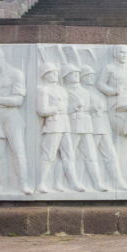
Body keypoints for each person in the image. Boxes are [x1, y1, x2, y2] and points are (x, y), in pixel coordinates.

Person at [0, 49, 31, 195]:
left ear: (0, 58)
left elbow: (18, 101)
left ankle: (23, 185)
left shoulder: (16, 74)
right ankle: (2, 186)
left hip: (12, 116)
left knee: (18, 151)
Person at [36, 64, 83, 194]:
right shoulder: (44, 90)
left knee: (69, 155)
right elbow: (41, 110)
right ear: (45, 75)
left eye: (56, 72)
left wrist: (75, 106)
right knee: (48, 155)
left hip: (65, 124)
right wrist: (56, 108)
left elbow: (66, 109)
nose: (55, 74)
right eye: (51, 72)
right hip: (52, 125)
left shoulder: (62, 90)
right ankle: (41, 184)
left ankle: (74, 183)